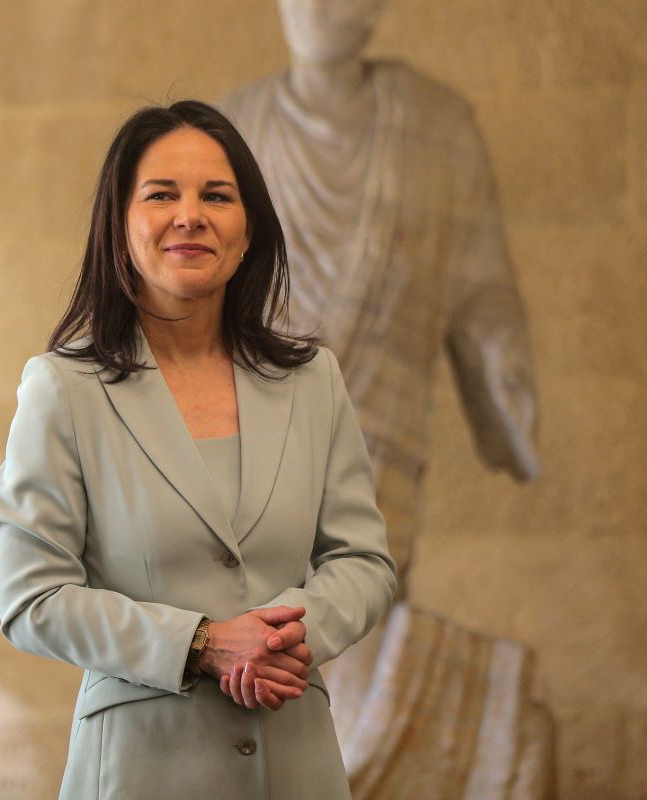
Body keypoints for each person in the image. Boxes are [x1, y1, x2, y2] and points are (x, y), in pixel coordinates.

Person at [0, 100, 396, 799]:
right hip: (140, 767)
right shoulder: (63, 388)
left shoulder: (311, 381)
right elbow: (33, 597)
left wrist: (283, 641)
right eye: (160, 195)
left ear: (248, 232)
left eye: (216, 195)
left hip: (297, 762)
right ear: (120, 227)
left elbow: (363, 561)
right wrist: (202, 643)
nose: (189, 215)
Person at [221, 3, 551, 794]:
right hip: (250, 440)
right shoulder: (236, 128)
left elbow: (480, 280)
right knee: (259, 629)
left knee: (357, 616)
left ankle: (352, 772)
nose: (316, 7)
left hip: (385, 432)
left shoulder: (435, 126)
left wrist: (506, 373)